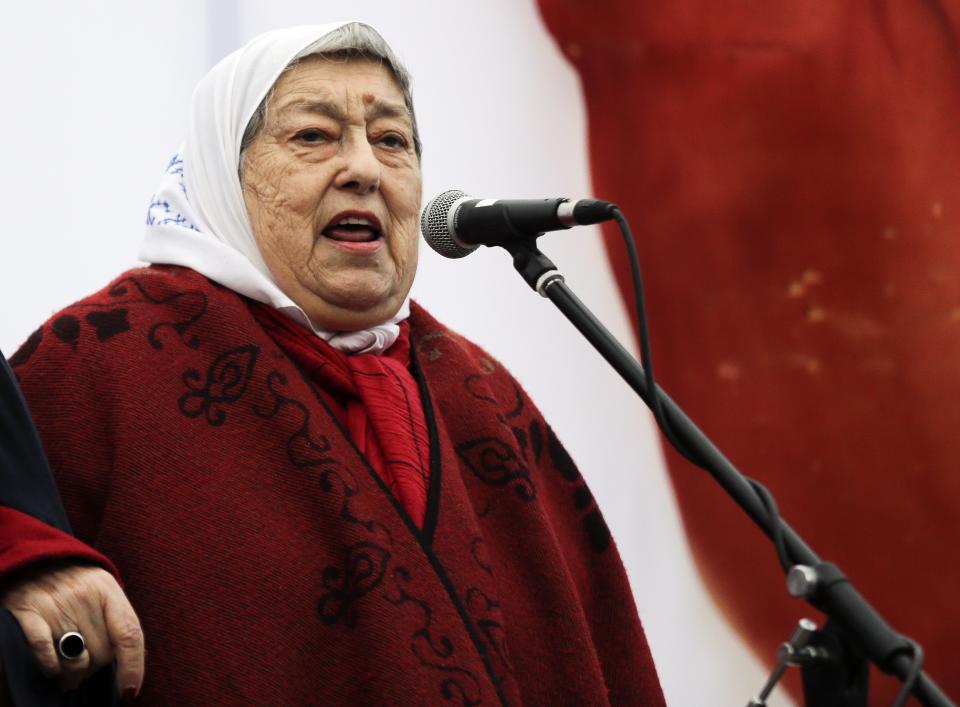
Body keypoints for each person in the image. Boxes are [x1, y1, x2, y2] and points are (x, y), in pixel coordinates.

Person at [1, 22, 665, 705]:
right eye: (314, 137)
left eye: (392, 141)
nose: (364, 170)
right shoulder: (101, 358)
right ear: (222, 175)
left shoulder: (486, 395)